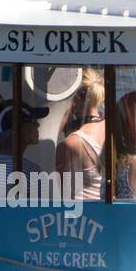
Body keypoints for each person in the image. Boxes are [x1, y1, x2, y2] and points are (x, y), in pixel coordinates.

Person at [0, 101, 50, 195]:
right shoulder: (32, 172)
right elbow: (39, 208)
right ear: (19, 128)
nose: (38, 125)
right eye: (33, 121)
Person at [55, 68, 105, 201]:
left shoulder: (73, 143)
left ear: (74, 97)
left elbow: (49, 186)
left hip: (77, 214)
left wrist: (64, 114)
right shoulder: (114, 128)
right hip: (104, 209)